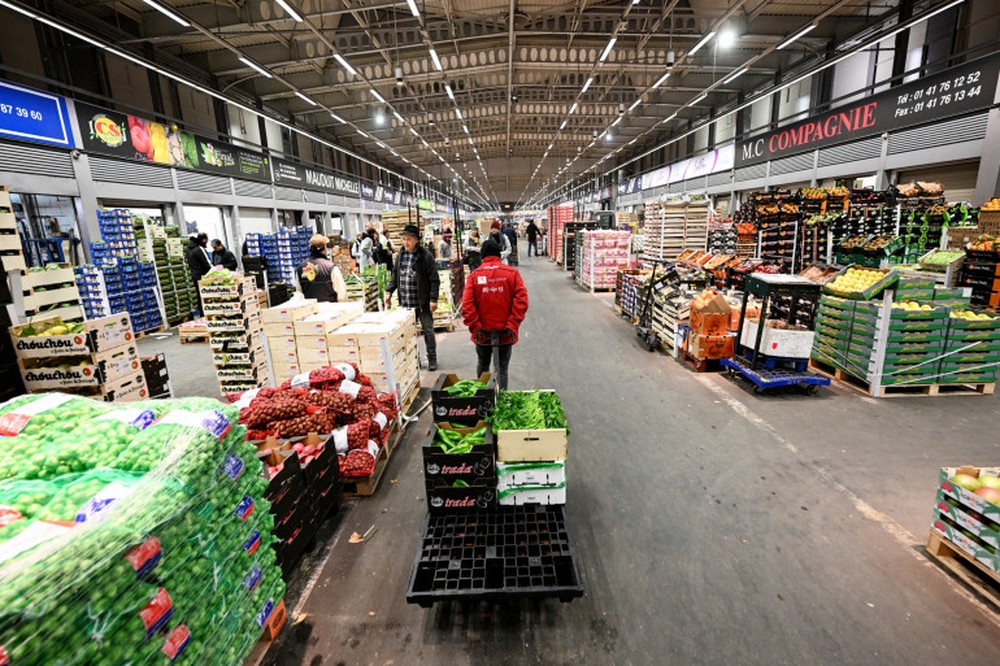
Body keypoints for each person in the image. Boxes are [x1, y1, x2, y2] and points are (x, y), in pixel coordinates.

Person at [461, 238, 529, 390]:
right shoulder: (512, 274)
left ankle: (483, 397)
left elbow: (467, 305)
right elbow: (521, 301)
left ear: (483, 256)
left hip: (482, 335)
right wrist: (512, 325)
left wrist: (477, 327)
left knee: (483, 365)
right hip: (505, 334)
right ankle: (502, 399)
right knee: (502, 369)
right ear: (499, 254)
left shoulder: (474, 276)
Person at [386, 224, 441, 371]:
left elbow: (434, 279)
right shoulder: (400, 255)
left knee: (428, 331)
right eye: (404, 239)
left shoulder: (426, 256)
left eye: (409, 239)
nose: (406, 242)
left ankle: (432, 359)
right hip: (406, 303)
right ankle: (414, 360)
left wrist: (433, 299)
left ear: (416, 240)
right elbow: (395, 275)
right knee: (409, 333)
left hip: (422, 302)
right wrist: (389, 291)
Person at [297, 234, 347, 303]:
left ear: (310, 247)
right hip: (330, 308)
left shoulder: (300, 268)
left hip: (311, 308)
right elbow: (342, 294)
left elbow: (299, 293)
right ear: (325, 247)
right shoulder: (331, 267)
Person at [186, 232, 212, 315]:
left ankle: (202, 313)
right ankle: (209, 312)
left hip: (194, 276)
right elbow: (207, 263)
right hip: (204, 276)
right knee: (208, 294)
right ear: (204, 239)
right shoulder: (199, 249)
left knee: (200, 295)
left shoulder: (187, 249)